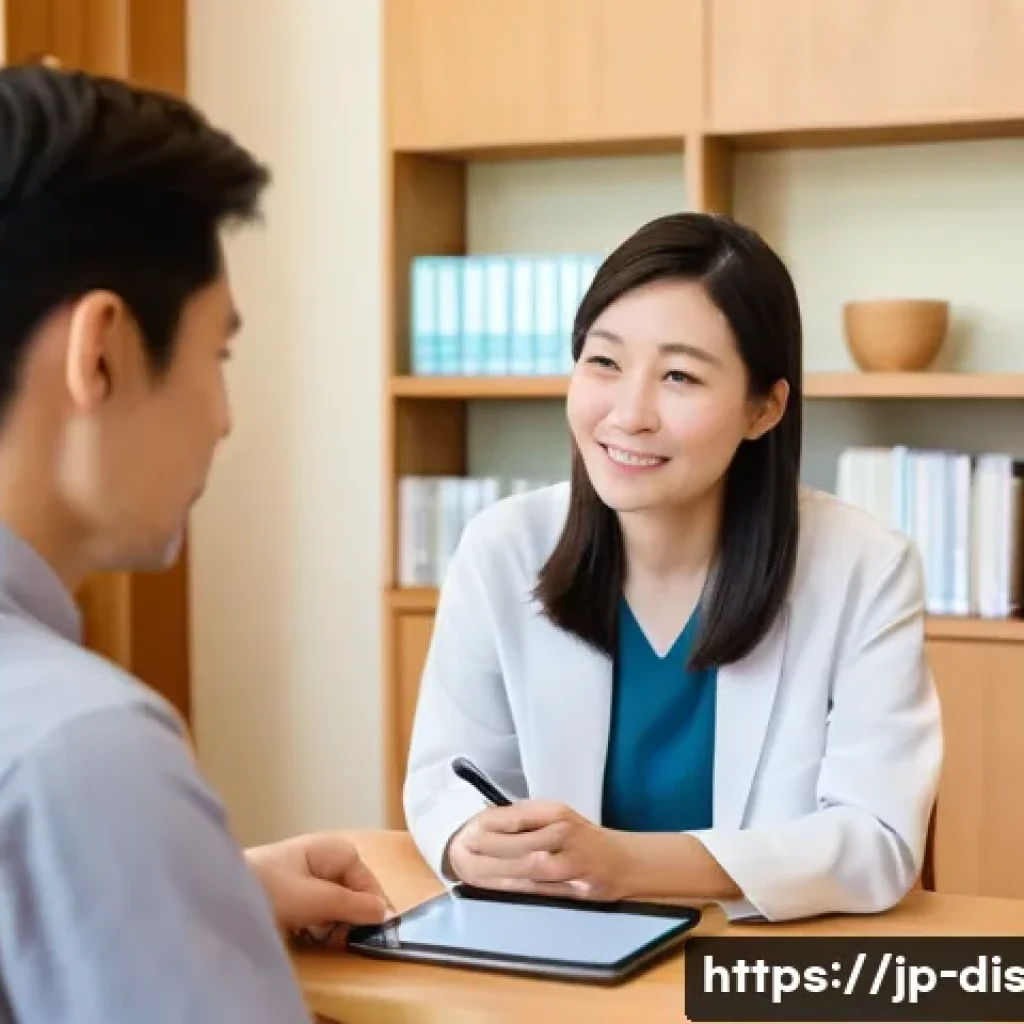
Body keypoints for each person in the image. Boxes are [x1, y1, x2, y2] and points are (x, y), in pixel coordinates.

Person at [403, 211, 943, 923]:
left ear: (764, 408)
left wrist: (627, 862)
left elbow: (876, 841)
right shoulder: (501, 547)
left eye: (680, 376)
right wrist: (469, 840)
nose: (628, 413)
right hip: (561, 967)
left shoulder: (865, 568)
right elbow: (450, 780)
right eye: (604, 362)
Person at [0, 66, 386, 1021]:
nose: (222, 418)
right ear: (101, 352)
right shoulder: (81, 747)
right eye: (218, 355)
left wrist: (192, 883)